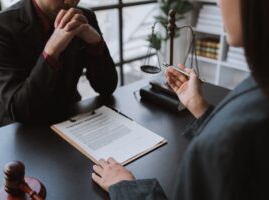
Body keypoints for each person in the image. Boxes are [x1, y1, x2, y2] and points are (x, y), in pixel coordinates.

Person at [91, 0, 269, 199]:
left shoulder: (232, 139)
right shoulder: (258, 88)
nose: (218, 3)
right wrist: (199, 107)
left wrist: (126, 188)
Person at [0, 0, 118, 129]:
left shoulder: (84, 17)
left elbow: (107, 87)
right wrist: (51, 52)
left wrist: (96, 44)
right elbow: (20, 110)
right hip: (19, 129)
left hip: (69, 117)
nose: (70, 2)